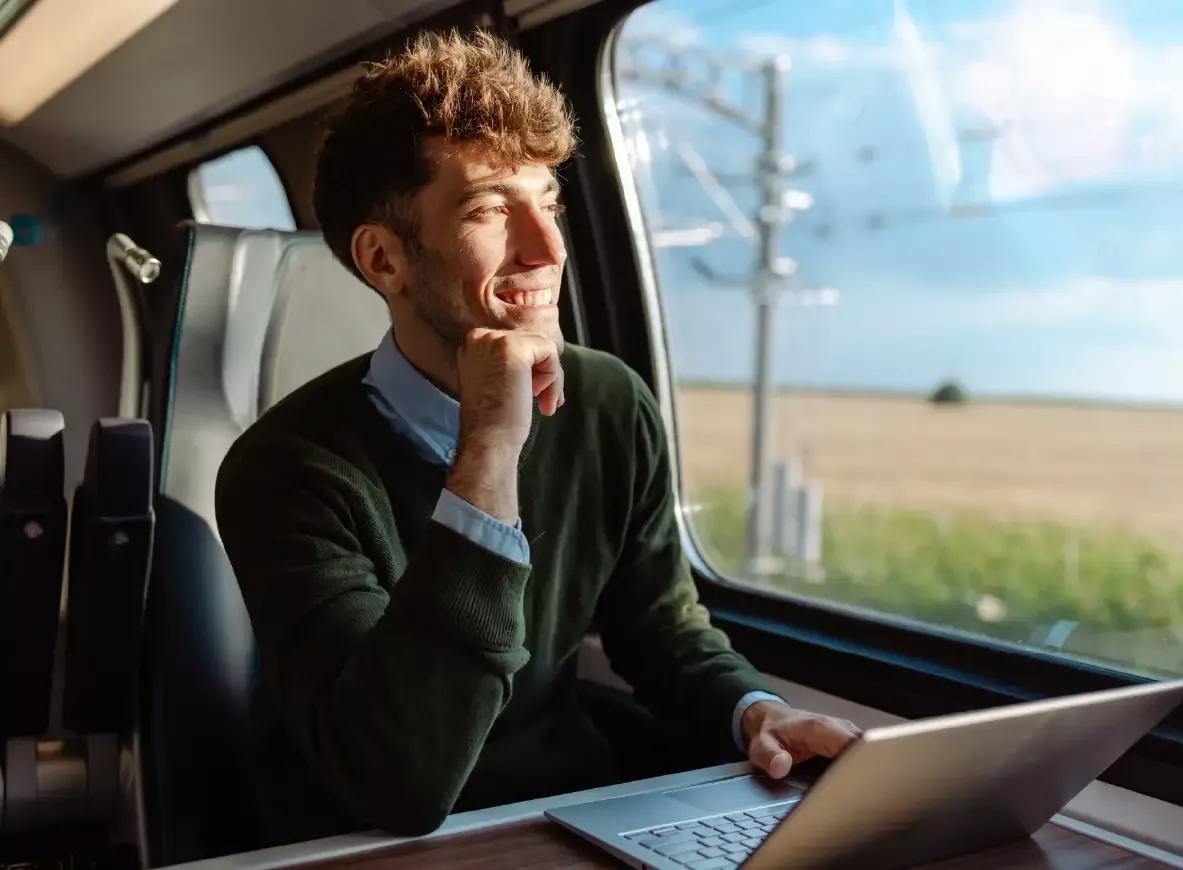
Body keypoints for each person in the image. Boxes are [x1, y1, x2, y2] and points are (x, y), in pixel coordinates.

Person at [215, 28, 858, 844]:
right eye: (491, 208)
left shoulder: (609, 403)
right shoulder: (283, 469)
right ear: (384, 260)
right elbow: (399, 778)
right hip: (363, 844)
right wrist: (489, 444)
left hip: (567, 815)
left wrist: (754, 711)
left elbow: (659, 626)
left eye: (547, 202)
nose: (549, 248)